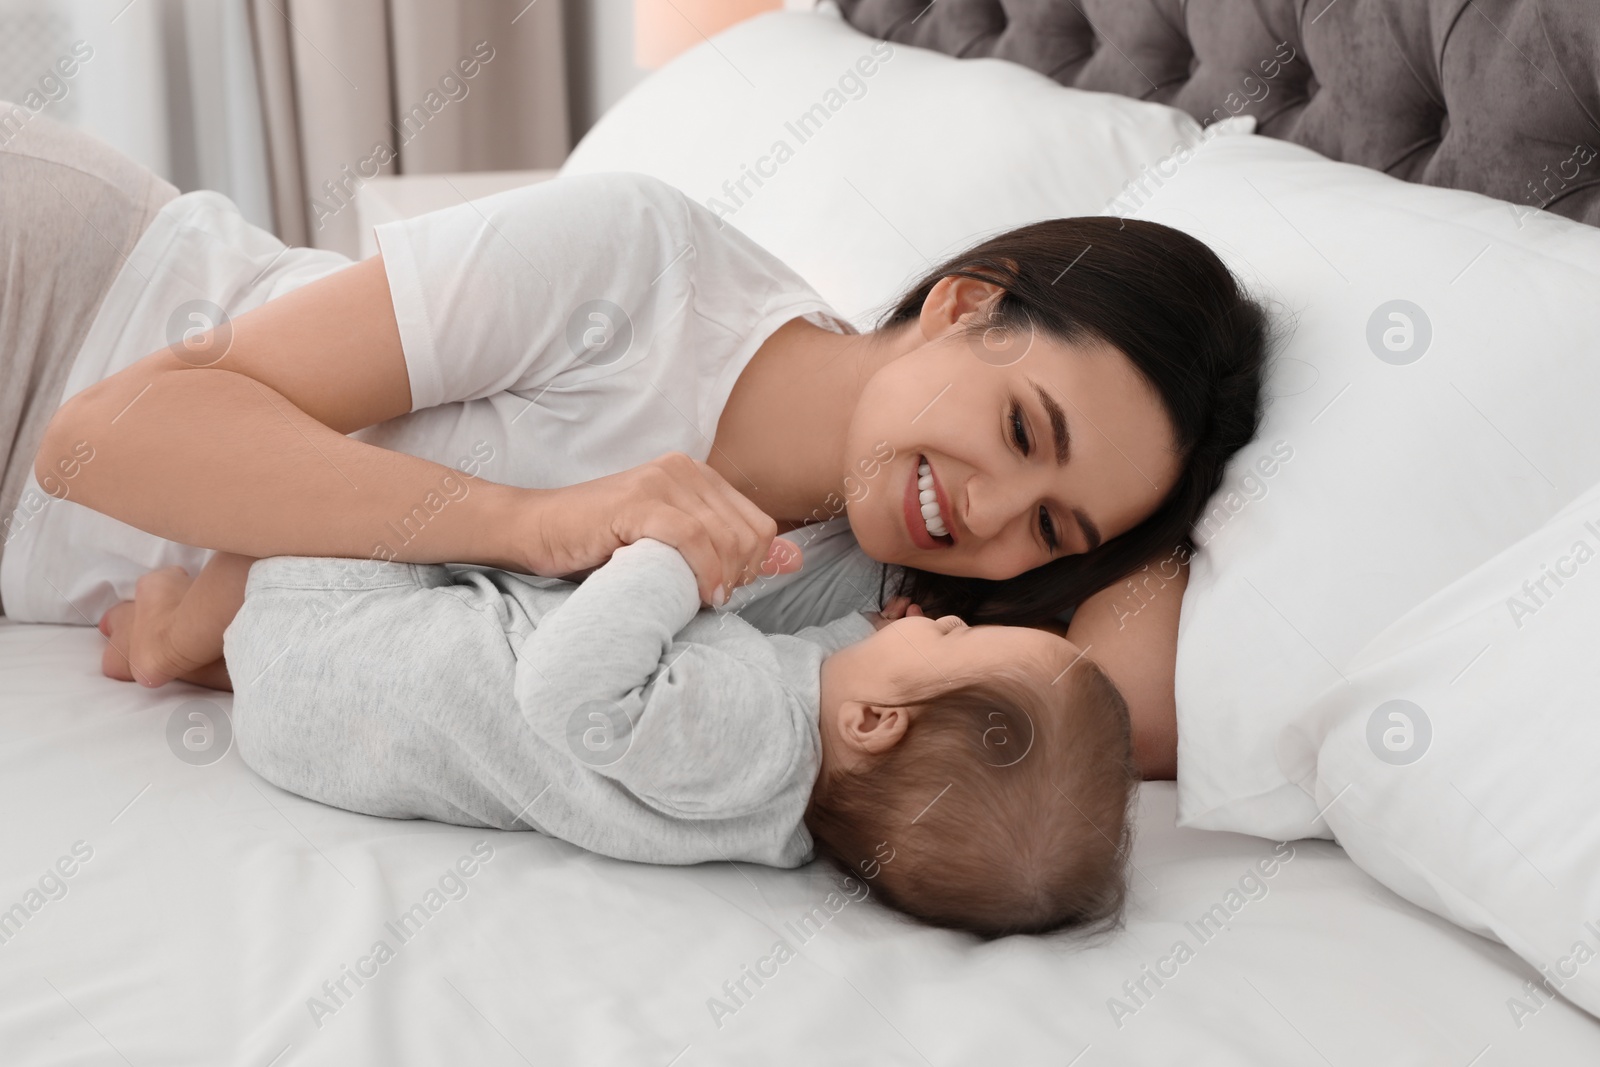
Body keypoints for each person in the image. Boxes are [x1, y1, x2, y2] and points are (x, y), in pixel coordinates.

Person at [5, 106, 1272, 778]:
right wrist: (530, 522)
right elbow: (107, 434)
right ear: (961, 302)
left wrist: (1162, 513)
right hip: (66, 292)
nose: (988, 511)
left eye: (1053, 526)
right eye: (1018, 427)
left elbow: (1126, 715)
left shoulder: (847, 608)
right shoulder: (638, 259)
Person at [124, 536, 1137, 940]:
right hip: (317, 716)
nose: (940, 617)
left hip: (337, 634)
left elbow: (567, 684)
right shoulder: (781, 805)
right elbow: (788, 675)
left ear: (875, 720)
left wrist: (670, 561)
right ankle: (212, 643)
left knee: (377, 476)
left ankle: (162, 625)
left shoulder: (742, 736)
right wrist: (862, 635)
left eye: (951, 635)